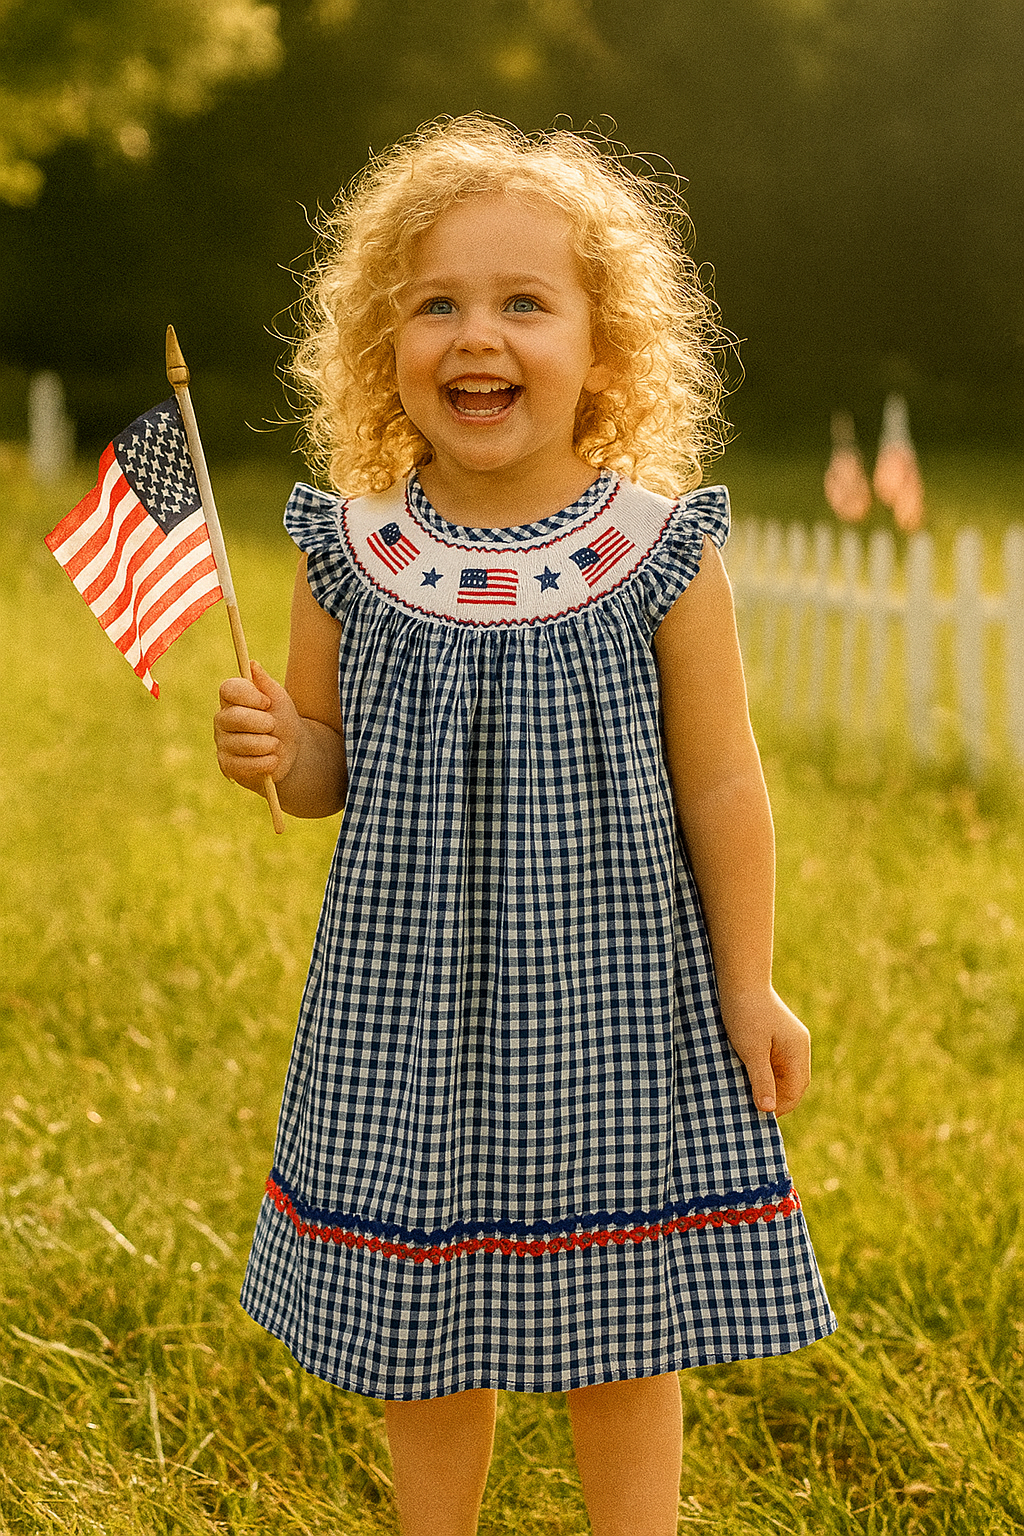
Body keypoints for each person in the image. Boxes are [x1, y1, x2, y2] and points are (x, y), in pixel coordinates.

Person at [214, 115, 836, 1536]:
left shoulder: (656, 551)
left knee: (621, 1329)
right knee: (426, 1327)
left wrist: (749, 980)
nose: (475, 335)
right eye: (435, 303)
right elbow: (323, 770)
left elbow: (722, 781)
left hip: (613, 1001)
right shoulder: (352, 550)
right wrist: (279, 749)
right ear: (383, 346)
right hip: (408, 1004)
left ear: (604, 351)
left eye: (523, 303)